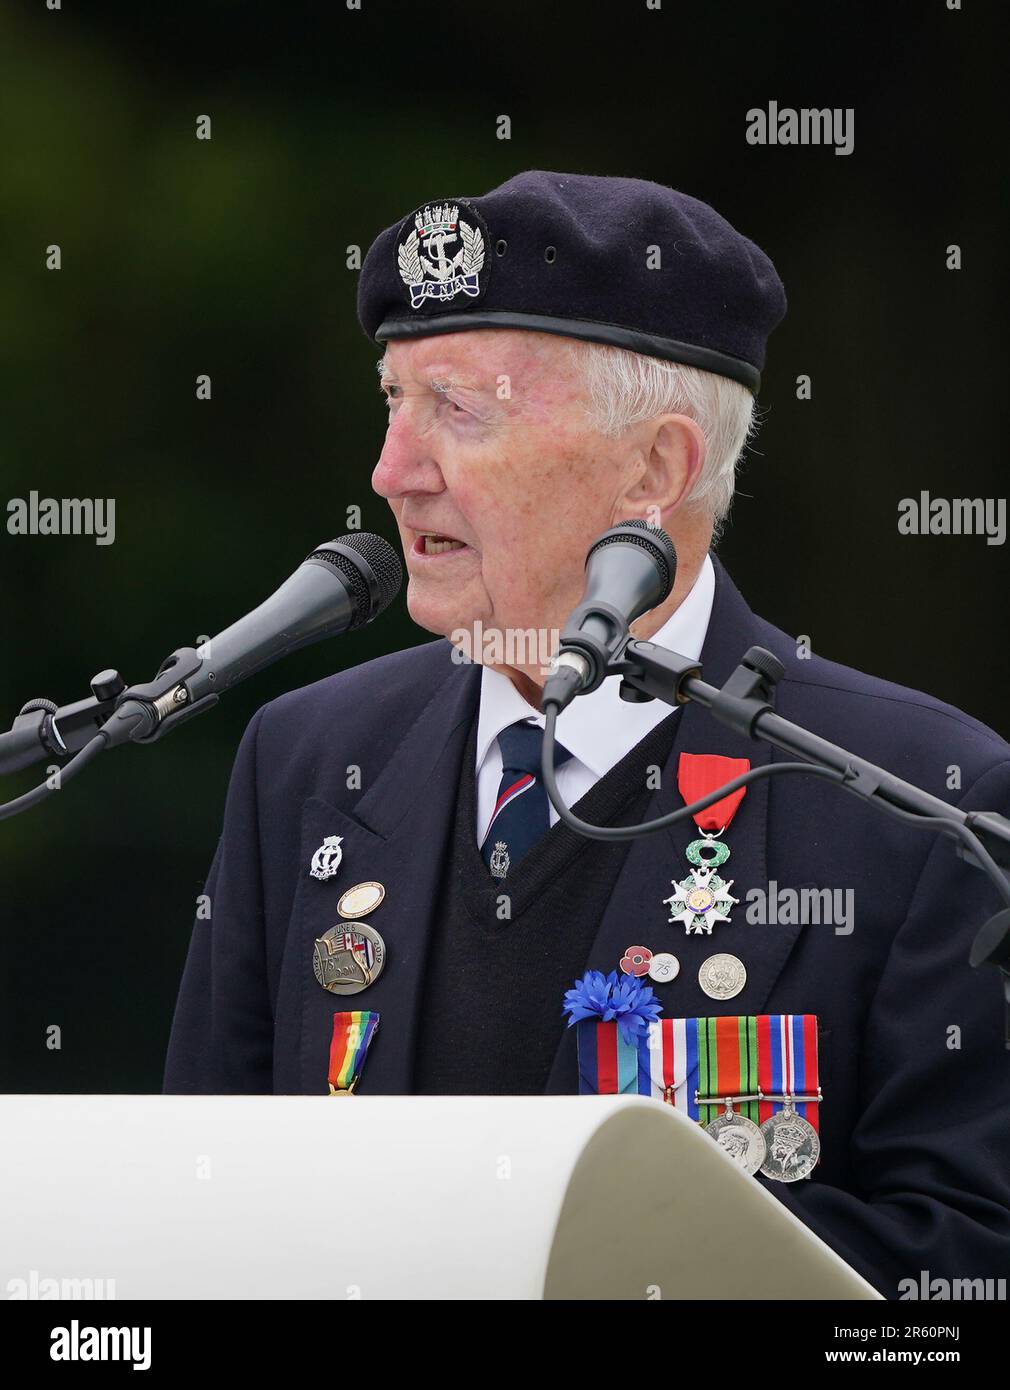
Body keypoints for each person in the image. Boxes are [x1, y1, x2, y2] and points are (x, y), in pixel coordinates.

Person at [165, 170, 1010, 1297]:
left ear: (653, 470)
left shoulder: (913, 803)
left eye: (458, 409)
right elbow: (191, 1199)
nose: (390, 472)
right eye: (391, 401)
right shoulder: (308, 757)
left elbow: (961, 1269)